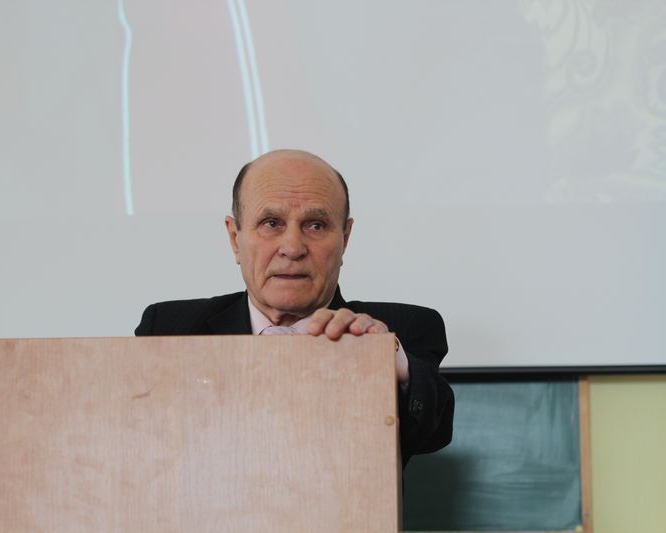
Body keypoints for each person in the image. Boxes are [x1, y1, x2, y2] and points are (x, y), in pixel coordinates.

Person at [135, 149, 453, 465]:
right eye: (271, 223)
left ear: (345, 238)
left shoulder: (404, 327)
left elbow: (432, 430)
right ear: (234, 238)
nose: (292, 248)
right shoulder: (169, 327)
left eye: (315, 226)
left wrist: (384, 354)